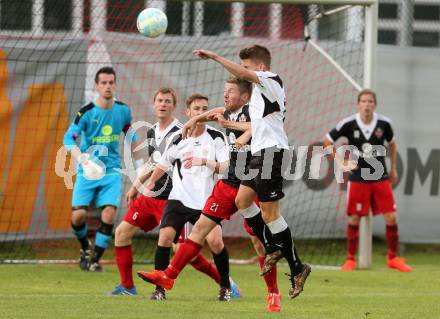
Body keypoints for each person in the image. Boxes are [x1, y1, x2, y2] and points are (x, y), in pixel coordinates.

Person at [138, 77, 281, 312]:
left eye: (230, 92)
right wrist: (195, 119)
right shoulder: (222, 114)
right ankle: (168, 278)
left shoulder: (253, 112)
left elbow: (258, 127)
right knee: (199, 231)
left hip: (251, 182)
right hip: (226, 184)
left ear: (244, 96)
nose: (225, 95)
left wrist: (233, 134)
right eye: (224, 91)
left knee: (258, 243)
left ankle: (273, 292)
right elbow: (163, 161)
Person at [188, 45, 311, 298]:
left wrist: (214, 56)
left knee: (270, 215)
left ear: (261, 68)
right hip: (260, 154)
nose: (243, 72)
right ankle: (271, 246)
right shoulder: (259, 95)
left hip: (272, 153)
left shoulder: (271, 79)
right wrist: (196, 120)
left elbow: (244, 87)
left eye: (246, 67)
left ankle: (297, 266)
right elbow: (242, 121)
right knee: (242, 200)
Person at [136, 93, 236, 301]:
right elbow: (163, 164)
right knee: (164, 238)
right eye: (197, 109)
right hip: (179, 198)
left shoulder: (216, 136)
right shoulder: (178, 137)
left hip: (207, 200)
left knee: (216, 242)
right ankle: (159, 289)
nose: (201, 113)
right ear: (188, 112)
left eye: (204, 108)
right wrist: (151, 183)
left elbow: (226, 166)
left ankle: (225, 286)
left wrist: (204, 161)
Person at [323, 89, 412, 272]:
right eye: (363, 101)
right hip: (358, 177)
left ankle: (393, 258)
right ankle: (350, 260)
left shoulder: (384, 123)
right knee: (354, 218)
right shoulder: (348, 123)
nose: (367, 104)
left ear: (375, 105)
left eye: (370, 101)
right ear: (358, 104)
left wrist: (393, 167)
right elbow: (327, 141)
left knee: (391, 216)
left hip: (380, 177)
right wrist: (341, 162)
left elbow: (392, 144)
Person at [63, 66, 141, 272]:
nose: (108, 86)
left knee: (108, 213)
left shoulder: (123, 110)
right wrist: (81, 158)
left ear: (115, 85)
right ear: (97, 86)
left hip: (112, 171)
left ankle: (95, 259)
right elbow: (68, 138)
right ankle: (84, 248)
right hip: (87, 171)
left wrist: (140, 156)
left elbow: (128, 131)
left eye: (111, 82)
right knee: (78, 216)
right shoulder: (86, 112)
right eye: (104, 83)